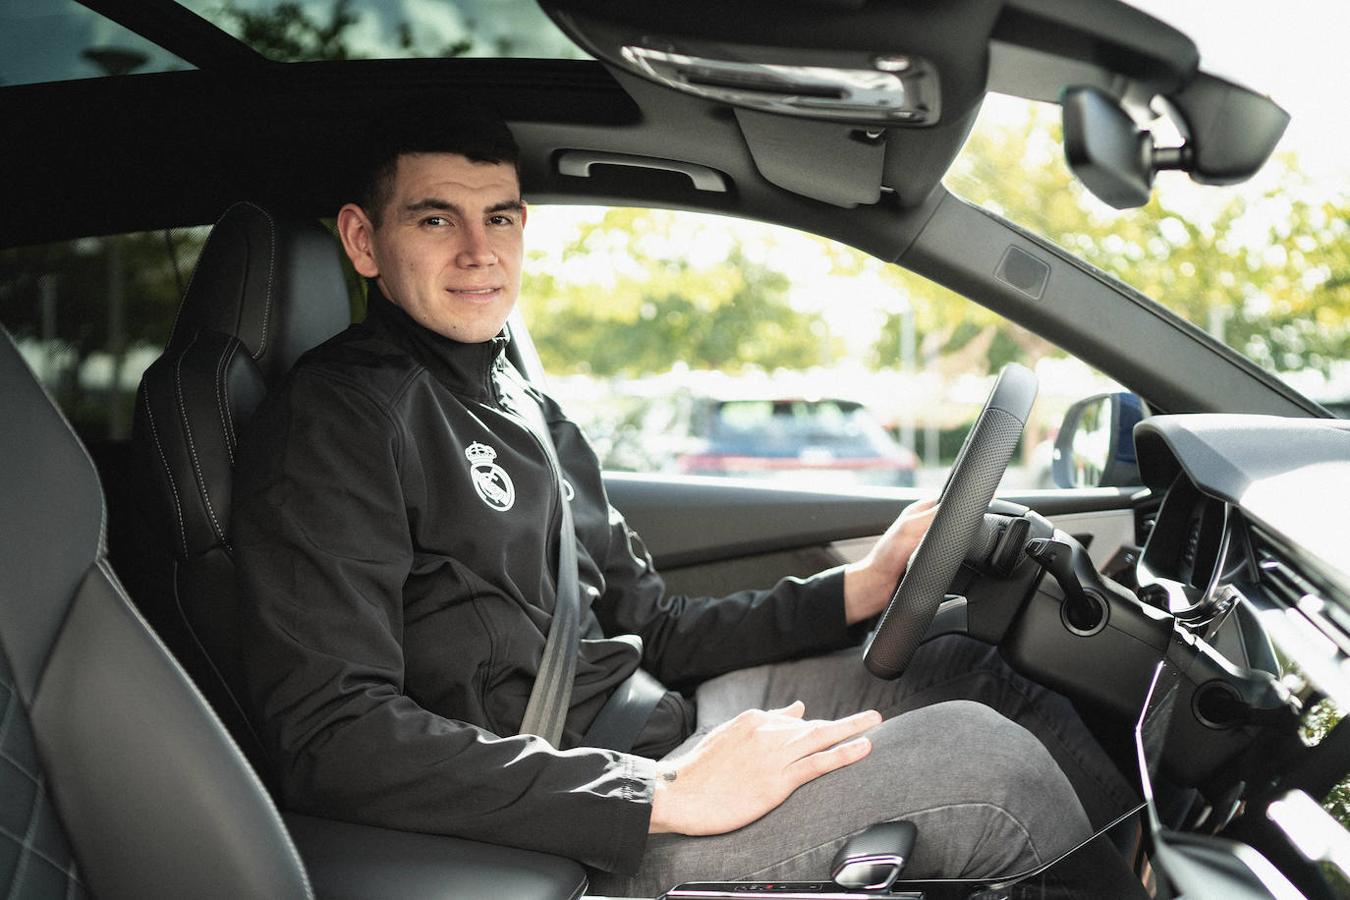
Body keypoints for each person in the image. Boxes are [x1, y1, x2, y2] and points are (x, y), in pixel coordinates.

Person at [232, 107, 1137, 897]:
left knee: (969, 669)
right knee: (992, 765)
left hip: (656, 723)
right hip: (575, 825)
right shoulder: (339, 420)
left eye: (500, 217)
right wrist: (657, 795)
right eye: (437, 219)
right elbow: (332, 736)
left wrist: (858, 588)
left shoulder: (519, 400)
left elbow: (651, 626)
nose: (480, 251)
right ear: (362, 241)